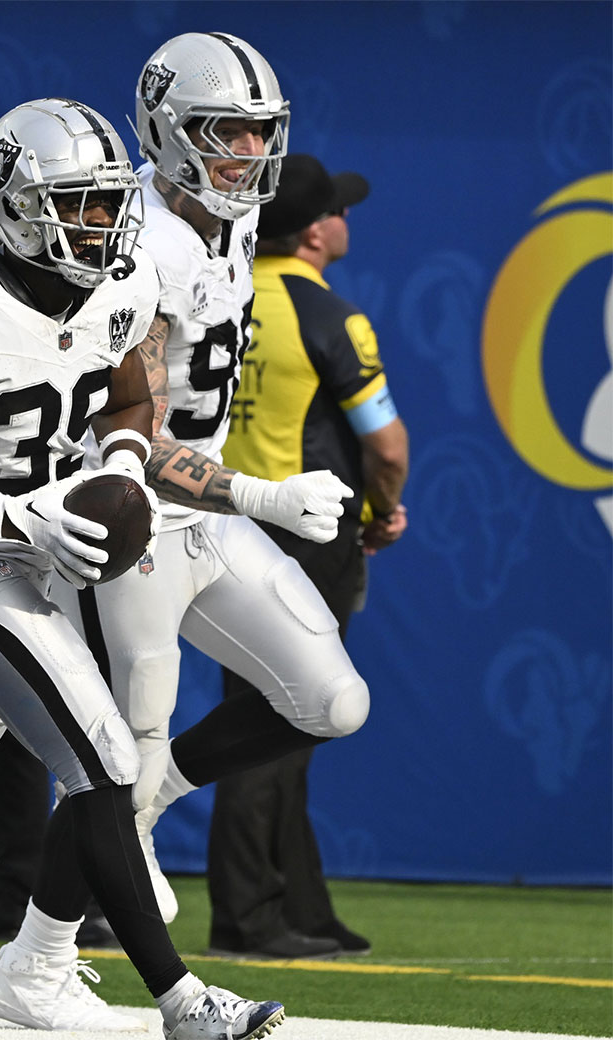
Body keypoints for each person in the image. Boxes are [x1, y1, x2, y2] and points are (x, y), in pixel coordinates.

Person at [0, 96, 287, 1039]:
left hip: (47, 548)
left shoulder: (121, 278)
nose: (100, 222)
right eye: (76, 204)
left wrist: (122, 468)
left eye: (103, 201)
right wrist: (9, 511)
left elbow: (130, 399)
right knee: (104, 760)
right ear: (10, 203)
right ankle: (178, 1001)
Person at [0, 31, 375, 994]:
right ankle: (38, 960)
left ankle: (147, 804)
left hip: (202, 511)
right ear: (165, 132)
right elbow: (141, 437)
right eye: (225, 134)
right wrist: (263, 493)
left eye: (258, 134)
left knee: (331, 702)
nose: (249, 155)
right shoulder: (138, 241)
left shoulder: (231, 224)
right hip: (125, 514)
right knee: (111, 757)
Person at [207, 153, 408, 958]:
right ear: (316, 232)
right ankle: (249, 918)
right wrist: (383, 511)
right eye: (339, 211)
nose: (347, 221)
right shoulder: (331, 316)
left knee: (280, 719)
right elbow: (387, 448)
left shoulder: (218, 298)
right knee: (283, 722)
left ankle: (299, 905)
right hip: (312, 535)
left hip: (224, 526)